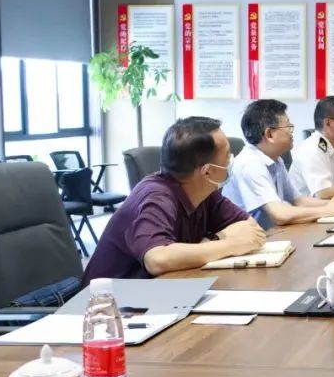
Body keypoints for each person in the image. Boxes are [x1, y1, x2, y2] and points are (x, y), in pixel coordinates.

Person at [82, 117, 266, 281]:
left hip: (166, 291)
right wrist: (231, 243)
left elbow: (251, 229)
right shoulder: (156, 197)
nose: (231, 161)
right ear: (207, 171)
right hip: (109, 303)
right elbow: (157, 259)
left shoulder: (206, 193)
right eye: (227, 156)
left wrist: (213, 239)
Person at [223, 99, 334, 229]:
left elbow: (298, 200)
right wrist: (328, 210)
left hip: (272, 234)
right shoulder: (250, 164)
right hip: (248, 239)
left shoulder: (275, 159)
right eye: (288, 126)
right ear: (269, 134)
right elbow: (280, 215)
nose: (291, 132)